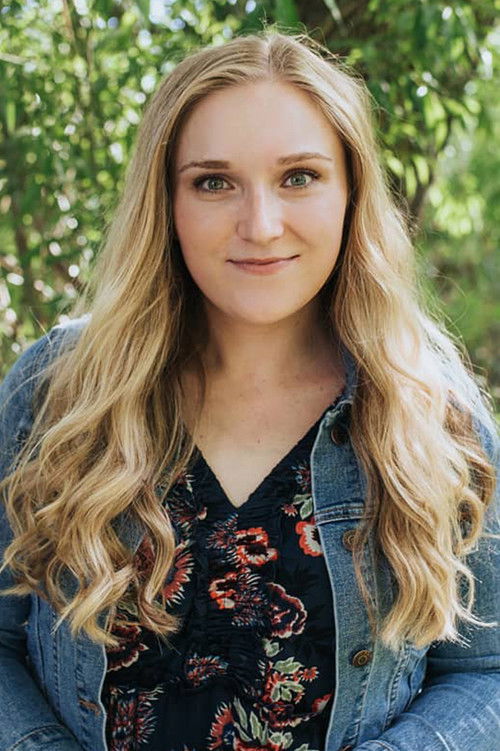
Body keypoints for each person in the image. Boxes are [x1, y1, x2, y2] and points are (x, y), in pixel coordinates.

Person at [0, 28, 498, 751]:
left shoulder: (429, 407)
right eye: (214, 182)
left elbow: (485, 670)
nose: (261, 226)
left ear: (352, 193)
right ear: (165, 202)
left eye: (299, 177)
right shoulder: (60, 391)